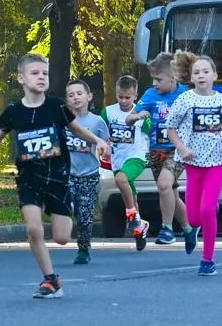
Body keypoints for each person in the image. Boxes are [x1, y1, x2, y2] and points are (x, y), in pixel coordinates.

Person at [0, 53, 110, 298]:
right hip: (29, 179)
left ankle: (64, 212)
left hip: (58, 178)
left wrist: (98, 140)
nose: (41, 77)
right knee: (34, 230)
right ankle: (50, 279)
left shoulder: (56, 106)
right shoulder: (14, 111)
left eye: (45, 74)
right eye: (35, 73)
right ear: (21, 78)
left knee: (61, 238)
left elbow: (76, 129)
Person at [163, 55, 222, 274]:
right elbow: (170, 128)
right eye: (197, 72)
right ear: (191, 78)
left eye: (205, 72)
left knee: (207, 209)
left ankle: (208, 260)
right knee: (193, 217)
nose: (201, 75)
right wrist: (182, 149)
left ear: (214, 76)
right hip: (192, 163)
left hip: (217, 162)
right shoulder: (185, 100)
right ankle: (201, 220)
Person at [134, 53, 187, 244]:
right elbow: (130, 117)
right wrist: (137, 117)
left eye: (159, 79)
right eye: (153, 79)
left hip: (177, 150)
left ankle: (167, 230)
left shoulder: (185, 95)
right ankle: (190, 228)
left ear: (173, 76)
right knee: (169, 191)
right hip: (156, 150)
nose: (155, 83)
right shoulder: (150, 95)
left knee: (164, 185)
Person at [61, 79, 107, 267]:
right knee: (68, 204)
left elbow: (106, 142)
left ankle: (83, 248)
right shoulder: (63, 120)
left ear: (89, 96)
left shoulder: (97, 122)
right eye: (71, 95)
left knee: (85, 216)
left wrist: (106, 149)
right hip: (68, 173)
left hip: (89, 175)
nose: (75, 98)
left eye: (79, 94)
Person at [104, 75, 153, 251]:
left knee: (121, 180)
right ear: (116, 94)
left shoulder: (141, 114)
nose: (124, 101)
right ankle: (140, 228)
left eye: (128, 97)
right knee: (130, 194)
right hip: (118, 159)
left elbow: (152, 133)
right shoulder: (108, 112)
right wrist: (105, 142)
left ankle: (131, 216)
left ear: (135, 96)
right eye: (120, 97)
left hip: (137, 156)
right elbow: (101, 132)